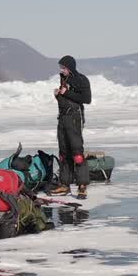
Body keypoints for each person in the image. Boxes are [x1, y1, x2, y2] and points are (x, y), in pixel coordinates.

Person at [50, 55, 92, 199]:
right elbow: (65, 99)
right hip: (62, 118)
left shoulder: (81, 79)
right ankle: (64, 184)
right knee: (63, 153)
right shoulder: (63, 79)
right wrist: (58, 95)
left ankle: (82, 186)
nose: (62, 70)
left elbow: (86, 99)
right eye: (61, 67)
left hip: (74, 118)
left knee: (77, 153)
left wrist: (66, 93)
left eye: (64, 68)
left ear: (70, 67)